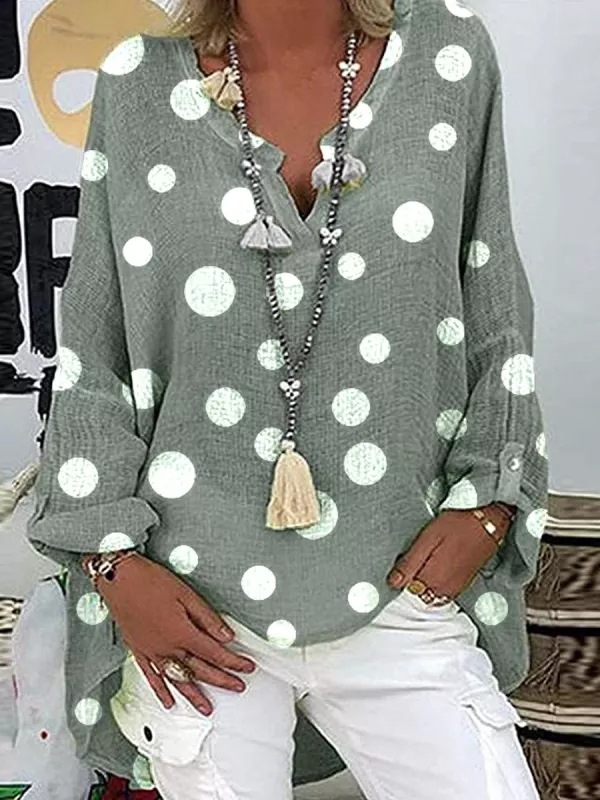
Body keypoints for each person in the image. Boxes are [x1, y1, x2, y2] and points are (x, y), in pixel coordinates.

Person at [25, 0, 550, 797]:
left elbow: (494, 299)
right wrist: (113, 563)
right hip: (191, 598)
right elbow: (96, 345)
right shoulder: (138, 83)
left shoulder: (450, 57)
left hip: (399, 570)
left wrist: (492, 499)